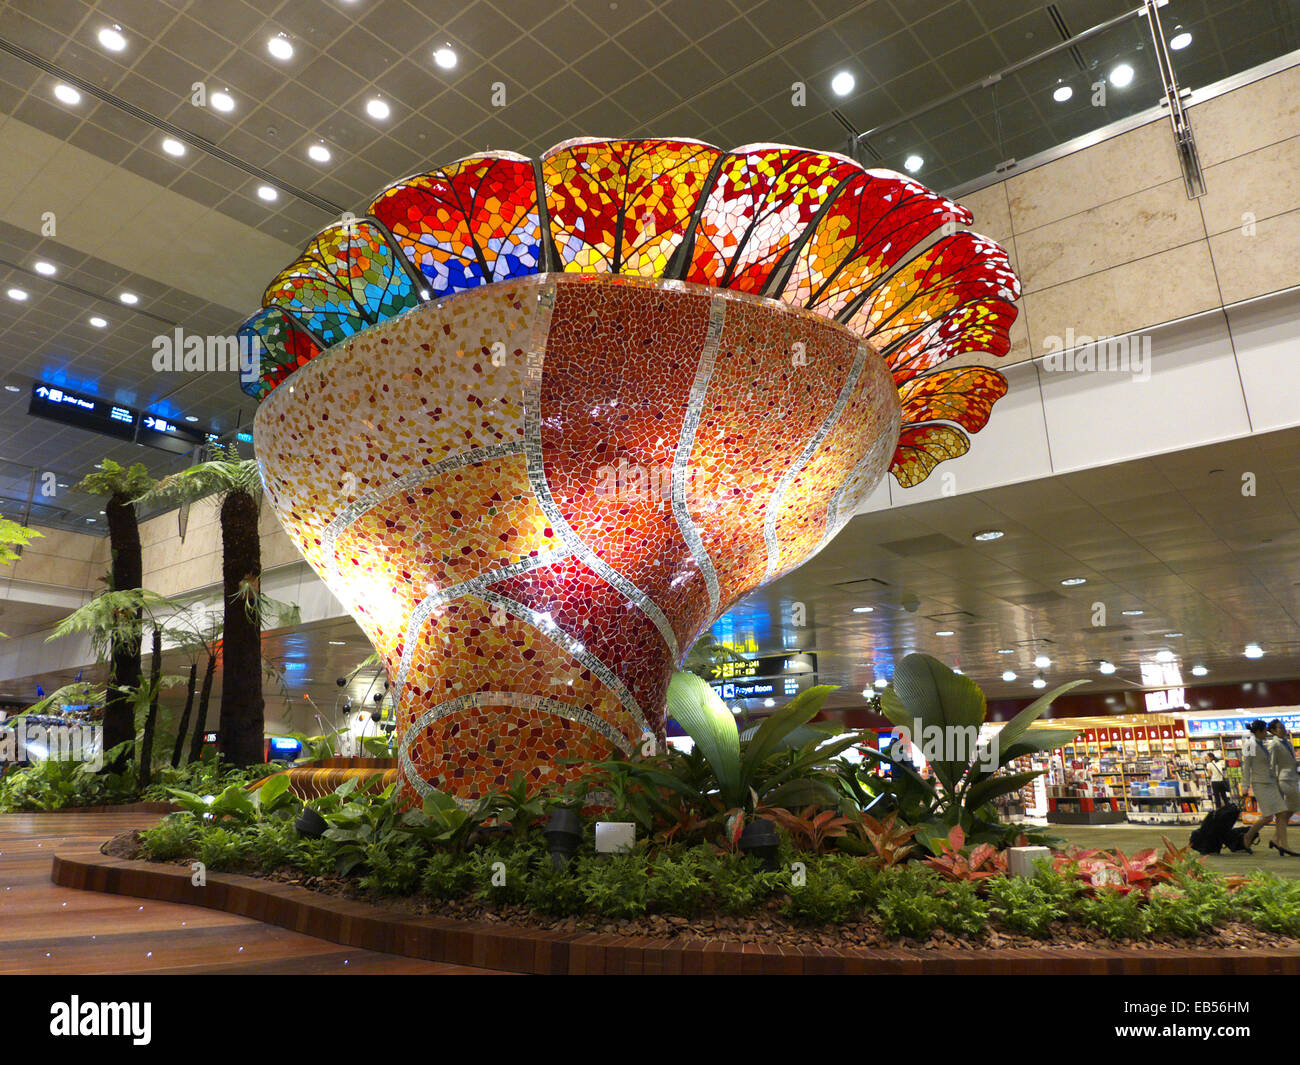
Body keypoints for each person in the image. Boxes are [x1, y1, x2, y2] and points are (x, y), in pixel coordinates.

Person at [1241, 720, 1294, 854]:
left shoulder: (1263, 744)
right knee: (1268, 817)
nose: (1267, 733)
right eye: (1264, 730)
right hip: (1260, 784)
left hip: (1270, 783)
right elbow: (1246, 767)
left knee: (1281, 813)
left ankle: (1284, 845)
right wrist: (1245, 786)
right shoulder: (1250, 745)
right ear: (1258, 732)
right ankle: (1248, 836)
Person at [1268, 720, 1300, 854]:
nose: (1284, 729)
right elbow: (1271, 765)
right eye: (1281, 728)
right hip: (1283, 779)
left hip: (1292, 778)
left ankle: (1276, 839)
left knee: (1290, 809)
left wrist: (1297, 763)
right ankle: (1283, 844)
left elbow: (1290, 761)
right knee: (1289, 809)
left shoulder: (1287, 742)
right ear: (1273, 731)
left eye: (1284, 727)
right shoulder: (1274, 745)